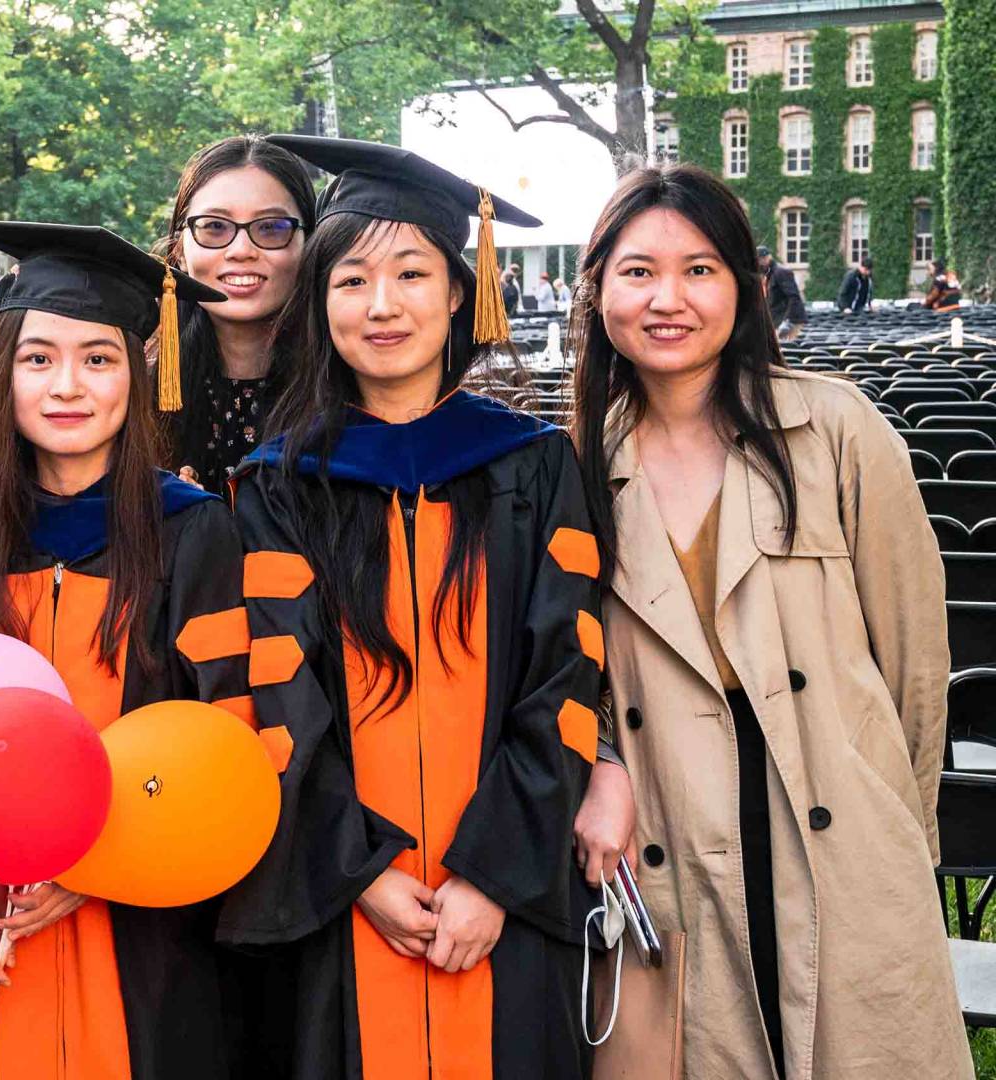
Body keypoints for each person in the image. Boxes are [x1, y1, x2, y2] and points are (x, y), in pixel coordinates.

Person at [567, 164, 972, 1078]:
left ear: (745, 289)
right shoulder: (576, 463)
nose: (669, 299)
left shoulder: (834, 429)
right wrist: (602, 760)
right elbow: (570, 666)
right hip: (672, 828)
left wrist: (903, 835)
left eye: (700, 270)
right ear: (598, 294)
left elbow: (914, 657)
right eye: (638, 272)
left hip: (838, 820)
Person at [218, 137, 601, 1078]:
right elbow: (278, 690)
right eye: (351, 281)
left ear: (461, 292)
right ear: (320, 303)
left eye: (412, 274)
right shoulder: (277, 485)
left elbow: (568, 671)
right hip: (350, 901)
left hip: (502, 903)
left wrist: (492, 875)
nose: (382, 305)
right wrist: (364, 872)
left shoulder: (533, 465)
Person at [0, 221, 252, 1079]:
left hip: (145, 919)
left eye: (98, 359)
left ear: (140, 373)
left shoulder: (195, 533)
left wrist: (108, 857)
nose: (67, 385)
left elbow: (228, 728)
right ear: (2, 375)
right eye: (38, 359)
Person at [161, 135, 316, 491]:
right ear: (179, 250)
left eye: (272, 228)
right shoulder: (133, 397)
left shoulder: (345, 399)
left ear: (309, 245)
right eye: (214, 227)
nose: (241, 250)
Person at [756, 246, 806, 341]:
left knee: (785, 349)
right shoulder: (769, 274)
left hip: (789, 321)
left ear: (765, 258)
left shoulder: (781, 272)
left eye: (758, 260)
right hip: (778, 320)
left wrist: (787, 321)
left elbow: (793, 297)